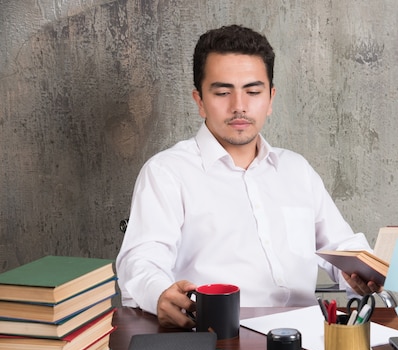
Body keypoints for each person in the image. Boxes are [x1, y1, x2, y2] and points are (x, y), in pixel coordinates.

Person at [116, 25, 381, 329]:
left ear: (270, 99)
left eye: (253, 92)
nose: (239, 106)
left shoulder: (297, 171)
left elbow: (343, 247)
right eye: (222, 92)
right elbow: (141, 261)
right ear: (199, 100)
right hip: (217, 335)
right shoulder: (167, 172)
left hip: (305, 339)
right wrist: (159, 294)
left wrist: (365, 275)